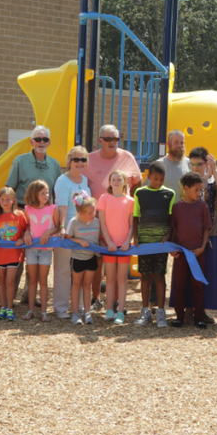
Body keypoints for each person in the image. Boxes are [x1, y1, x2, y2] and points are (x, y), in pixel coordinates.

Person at [6, 125, 62, 310]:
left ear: (49, 142)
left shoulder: (54, 164)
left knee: (36, 254)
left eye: (45, 139)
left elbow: (55, 192)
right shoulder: (20, 161)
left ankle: (27, 296)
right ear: (31, 141)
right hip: (22, 212)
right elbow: (10, 188)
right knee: (18, 253)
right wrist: (14, 214)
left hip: (44, 217)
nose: (41, 142)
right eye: (38, 139)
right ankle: (10, 297)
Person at [86, 124, 142, 310]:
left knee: (119, 263)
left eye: (115, 139)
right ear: (99, 140)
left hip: (120, 221)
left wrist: (126, 202)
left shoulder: (127, 157)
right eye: (108, 139)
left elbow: (138, 182)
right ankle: (96, 299)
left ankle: (118, 301)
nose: (112, 142)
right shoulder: (89, 158)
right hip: (95, 219)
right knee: (97, 261)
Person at [173, 146, 217, 320]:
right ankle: (186, 311)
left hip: (211, 235)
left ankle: (201, 311)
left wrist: (215, 171)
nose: (195, 167)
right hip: (188, 236)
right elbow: (186, 197)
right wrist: (204, 178)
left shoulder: (214, 181)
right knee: (185, 275)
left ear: (207, 163)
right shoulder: (187, 181)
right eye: (192, 164)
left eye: (199, 164)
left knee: (206, 275)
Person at [133, 161, 175, 328]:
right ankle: (145, 311)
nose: (158, 182)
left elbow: (172, 220)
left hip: (161, 244)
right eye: (155, 179)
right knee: (145, 276)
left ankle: (161, 312)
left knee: (159, 276)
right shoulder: (139, 193)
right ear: (148, 176)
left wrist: (168, 235)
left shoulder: (170, 194)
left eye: (162, 180)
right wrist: (135, 237)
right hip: (144, 243)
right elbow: (135, 217)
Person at [167, 171, 212, 329]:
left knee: (198, 285)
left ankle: (198, 316)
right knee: (179, 284)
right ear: (186, 188)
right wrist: (172, 248)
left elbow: (207, 229)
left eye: (201, 190)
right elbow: (173, 230)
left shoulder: (203, 206)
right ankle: (179, 316)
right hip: (180, 254)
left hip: (197, 254)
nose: (199, 193)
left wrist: (202, 247)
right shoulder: (177, 207)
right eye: (196, 190)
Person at [53, 146, 91, 318]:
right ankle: (61, 307)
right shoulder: (62, 181)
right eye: (76, 159)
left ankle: (80, 306)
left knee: (80, 270)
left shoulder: (85, 181)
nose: (80, 162)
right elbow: (61, 206)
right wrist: (62, 227)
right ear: (69, 162)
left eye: (83, 159)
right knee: (62, 270)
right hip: (67, 232)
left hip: (83, 232)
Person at [97, 170, 135, 324]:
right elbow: (102, 223)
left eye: (119, 179)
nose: (116, 182)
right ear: (110, 181)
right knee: (110, 279)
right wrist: (108, 242)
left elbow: (132, 225)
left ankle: (120, 311)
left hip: (125, 247)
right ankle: (109, 310)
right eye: (113, 179)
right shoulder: (104, 198)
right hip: (109, 247)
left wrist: (127, 241)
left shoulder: (130, 201)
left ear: (125, 182)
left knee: (122, 279)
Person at [22, 180, 58, 322]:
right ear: (34, 194)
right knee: (32, 280)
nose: (46, 195)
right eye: (42, 193)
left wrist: (49, 232)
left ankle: (44, 311)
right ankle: (31, 310)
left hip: (46, 250)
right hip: (31, 249)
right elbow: (26, 226)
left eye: (47, 192)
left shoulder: (53, 208)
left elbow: (57, 226)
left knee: (43, 281)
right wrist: (26, 233)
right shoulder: (27, 209)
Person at [0, 187, 28, 321]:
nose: (5, 202)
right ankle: (3, 307)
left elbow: (26, 228)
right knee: (1, 280)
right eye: (2, 199)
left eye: (8, 199)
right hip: (1, 253)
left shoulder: (20, 215)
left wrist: (23, 238)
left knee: (10, 280)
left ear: (13, 200)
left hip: (14, 253)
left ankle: (10, 308)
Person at [66, 195, 100, 325]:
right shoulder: (73, 222)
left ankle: (87, 312)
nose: (93, 215)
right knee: (76, 285)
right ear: (81, 213)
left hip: (91, 258)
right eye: (90, 213)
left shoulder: (96, 222)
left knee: (87, 285)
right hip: (77, 258)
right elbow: (67, 238)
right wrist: (79, 240)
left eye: (94, 211)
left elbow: (98, 237)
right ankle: (75, 313)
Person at [162, 129, 190, 202]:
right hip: (164, 211)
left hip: (185, 211)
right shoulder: (159, 165)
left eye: (182, 143)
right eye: (176, 142)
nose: (180, 146)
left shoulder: (190, 164)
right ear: (168, 144)